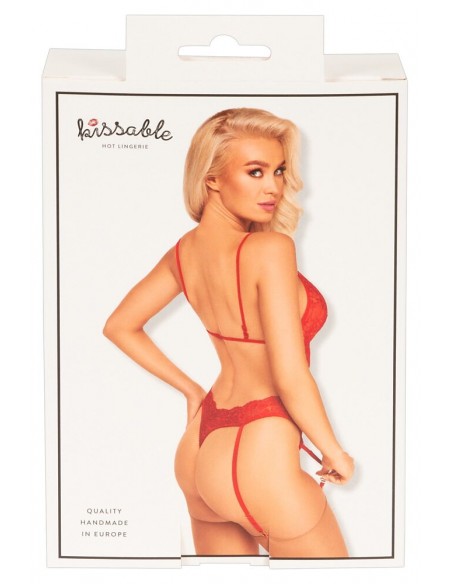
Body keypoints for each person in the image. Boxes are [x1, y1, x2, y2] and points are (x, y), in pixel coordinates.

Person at [103, 108, 354, 558]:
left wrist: (192, 391)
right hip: (261, 448)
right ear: (212, 179)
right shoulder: (271, 249)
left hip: (201, 445)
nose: (273, 187)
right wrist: (332, 449)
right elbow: (289, 374)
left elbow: (119, 326)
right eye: (255, 172)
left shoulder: (184, 252)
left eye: (278, 171)